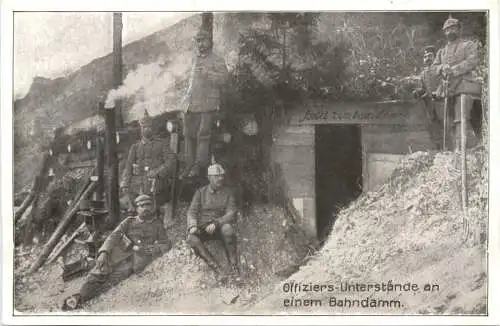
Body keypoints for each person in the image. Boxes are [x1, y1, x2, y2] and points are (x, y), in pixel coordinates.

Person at [61, 194, 171, 311]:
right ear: (137, 208)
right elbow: (113, 236)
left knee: (110, 282)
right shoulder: (129, 222)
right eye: (142, 206)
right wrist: (104, 252)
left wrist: (155, 249)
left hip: (135, 260)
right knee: (98, 272)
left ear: (152, 207)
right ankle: (78, 297)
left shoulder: (157, 224)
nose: (146, 208)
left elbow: (166, 243)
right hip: (118, 253)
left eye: (148, 205)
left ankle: (82, 298)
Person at [180, 29, 229, 179]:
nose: (200, 44)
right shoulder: (193, 60)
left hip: (208, 104)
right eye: (198, 41)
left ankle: (199, 165)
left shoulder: (217, 60)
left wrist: (208, 73)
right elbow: (187, 81)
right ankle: (189, 164)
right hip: (191, 104)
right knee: (188, 135)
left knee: (203, 135)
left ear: (210, 42)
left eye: (203, 40)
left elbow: (224, 79)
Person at [431, 16, 482, 150]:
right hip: (447, 89)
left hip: (464, 87)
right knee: (448, 122)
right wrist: (442, 68)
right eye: (447, 29)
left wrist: (453, 70)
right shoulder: (442, 52)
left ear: (459, 29)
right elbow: (434, 67)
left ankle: (465, 151)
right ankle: (454, 150)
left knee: (462, 119)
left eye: (453, 28)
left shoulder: (468, 45)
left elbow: (472, 61)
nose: (450, 32)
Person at [186, 163, 240, 281]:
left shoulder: (228, 193)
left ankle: (234, 266)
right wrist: (192, 225)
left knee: (228, 230)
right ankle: (217, 269)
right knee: (191, 239)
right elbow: (192, 211)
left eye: (221, 176)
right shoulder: (200, 192)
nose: (220, 179)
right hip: (203, 227)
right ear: (209, 178)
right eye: (216, 176)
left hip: (219, 227)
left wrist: (217, 223)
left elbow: (231, 213)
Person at [120, 109, 175, 214]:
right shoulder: (135, 147)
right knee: (126, 203)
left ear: (153, 128)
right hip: (138, 186)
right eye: (144, 127)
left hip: (157, 185)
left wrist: (157, 172)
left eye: (149, 127)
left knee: (150, 206)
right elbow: (128, 167)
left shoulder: (161, 144)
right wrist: (125, 184)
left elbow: (171, 161)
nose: (147, 129)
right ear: (141, 129)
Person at [412, 45, 443, 150]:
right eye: (425, 57)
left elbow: (444, 83)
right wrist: (418, 92)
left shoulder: (440, 69)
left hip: (441, 102)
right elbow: (423, 88)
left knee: (443, 124)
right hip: (429, 104)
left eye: (430, 55)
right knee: (432, 125)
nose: (427, 58)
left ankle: (448, 148)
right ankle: (437, 148)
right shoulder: (423, 74)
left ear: (435, 57)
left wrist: (438, 92)